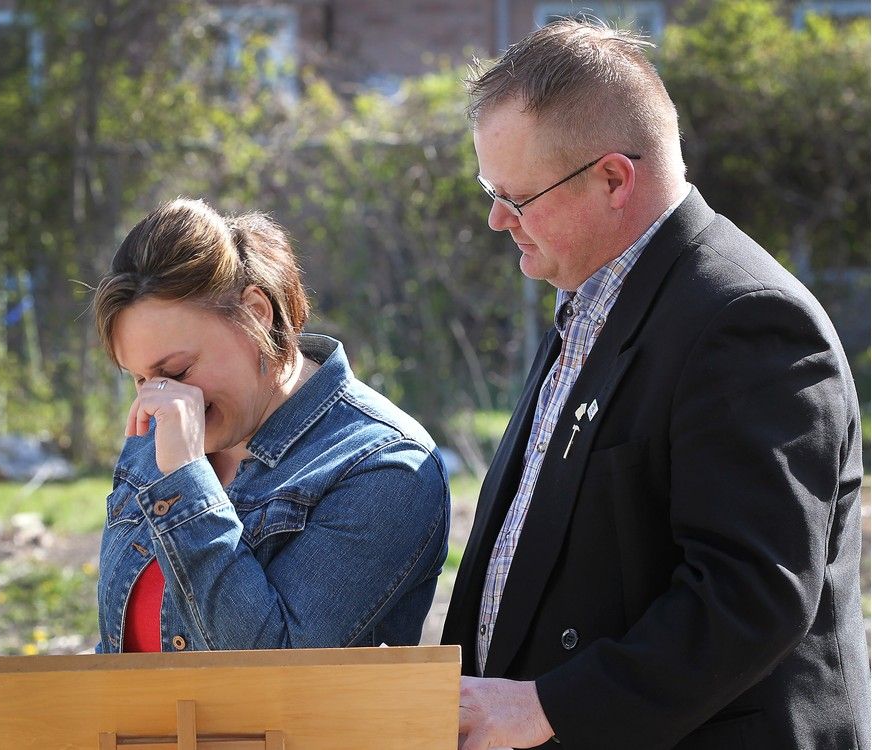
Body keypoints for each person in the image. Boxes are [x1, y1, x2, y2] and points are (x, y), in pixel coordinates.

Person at [443, 19, 870, 750]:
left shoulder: (745, 321)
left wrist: (549, 706)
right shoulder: (596, 297)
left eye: (517, 198)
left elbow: (751, 597)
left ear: (614, 177)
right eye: (491, 190)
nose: (496, 219)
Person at [92, 198, 449, 654]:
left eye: (178, 372)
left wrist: (185, 481)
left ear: (256, 313)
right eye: (141, 379)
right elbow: (121, 644)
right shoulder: (159, 432)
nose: (160, 398)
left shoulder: (385, 465)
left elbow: (272, 668)